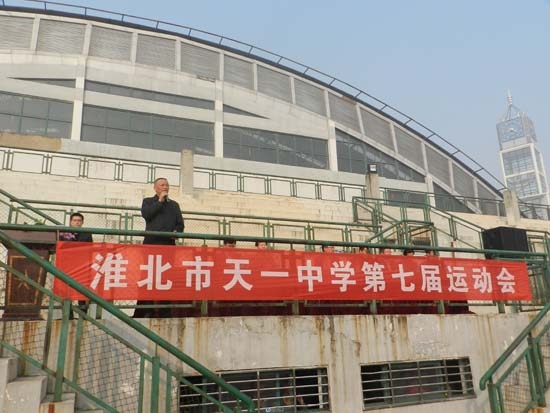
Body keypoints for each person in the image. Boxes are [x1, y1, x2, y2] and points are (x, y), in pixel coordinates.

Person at [134, 177, 184, 318]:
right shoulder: (148, 202)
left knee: (166, 277)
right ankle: (143, 311)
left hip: (168, 246)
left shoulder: (174, 205)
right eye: (162, 185)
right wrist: (160, 201)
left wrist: (176, 232)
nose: (165, 187)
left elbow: (180, 224)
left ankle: (164, 310)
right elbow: (147, 215)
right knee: (147, 277)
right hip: (151, 245)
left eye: (167, 185)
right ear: (155, 188)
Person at [59, 212, 93, 316]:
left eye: (79, 221)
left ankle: (83, 315)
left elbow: (90, 249)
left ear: (82, 222)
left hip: (82, 265)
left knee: (82, 291)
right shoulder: (64, 233)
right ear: (70, 222)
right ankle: (68, 315)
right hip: (67, 266)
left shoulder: (87, 234)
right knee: (66, 290)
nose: (77, 222)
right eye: (74, 220)